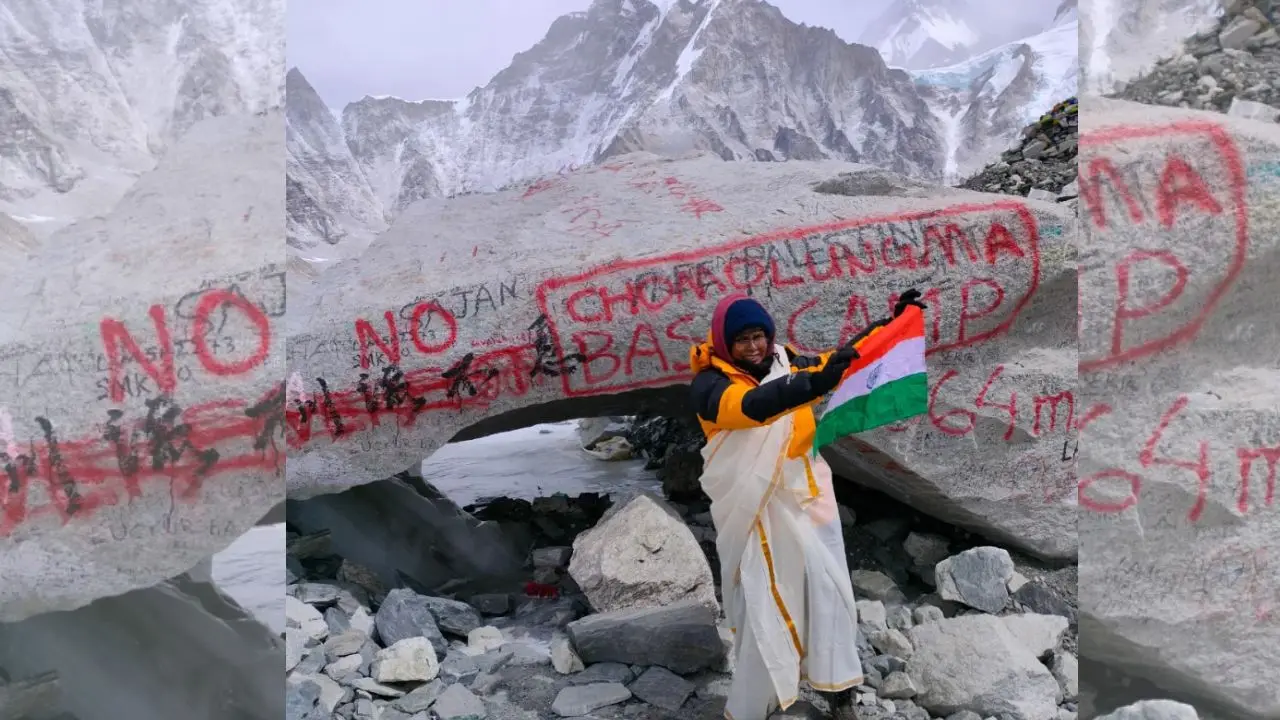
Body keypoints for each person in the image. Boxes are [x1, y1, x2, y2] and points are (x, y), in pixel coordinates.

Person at [688, 290, 926, 720]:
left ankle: (839, 690)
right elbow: (751, 408)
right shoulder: (711, 384)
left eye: (760, 336)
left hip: (809, 495)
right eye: (742, 340)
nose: (755, 347)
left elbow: (841, 359)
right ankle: (759, 701)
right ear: (726, 345)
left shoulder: (786, 360)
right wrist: (812, 384)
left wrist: (890, 322)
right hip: (756, 510)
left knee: (829, 588)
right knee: (763, 598)